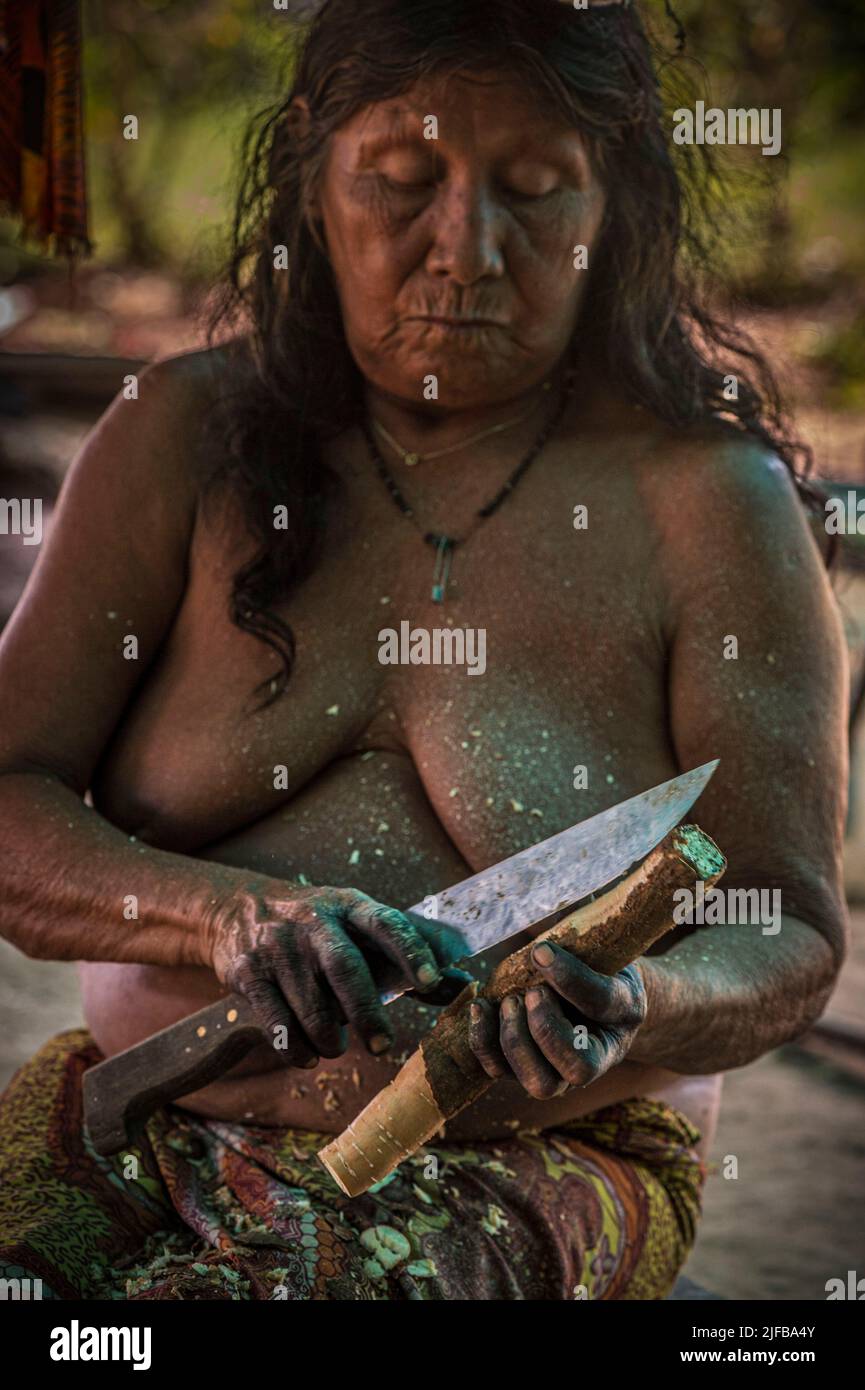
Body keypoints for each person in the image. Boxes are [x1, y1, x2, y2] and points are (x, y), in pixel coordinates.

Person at [0, 0, 848, 1301]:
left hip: (531, 1161)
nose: (466, 249)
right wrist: (223, 915)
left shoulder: (706, 503)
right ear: (311, 175)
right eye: (401, 181)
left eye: (536, 192)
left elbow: (779, 919)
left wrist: (640, 1004)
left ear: (613, 207)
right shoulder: (175, 442)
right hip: (132, 1114)